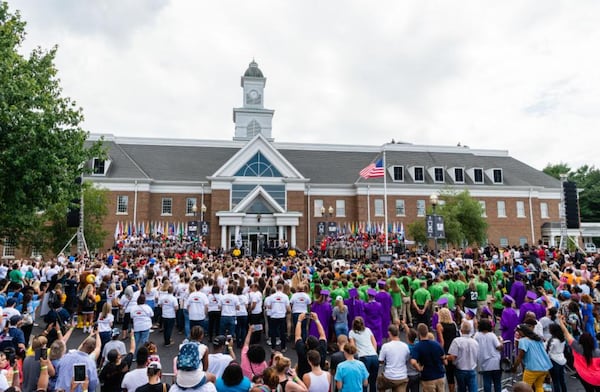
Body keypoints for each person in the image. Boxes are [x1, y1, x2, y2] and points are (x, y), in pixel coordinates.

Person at [557, 314, 600, 392]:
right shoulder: (598, 353)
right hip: (598, 378)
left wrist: (560, 320)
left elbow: (566, 332)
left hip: (584, 376)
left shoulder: (576, 347)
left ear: (580, 341)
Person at [511, 324, 552, 392]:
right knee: (539, 387)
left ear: (522, 331)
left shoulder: (523, 341)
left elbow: (520, 356)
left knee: (525, 388)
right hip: (544, 368)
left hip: (532, 369)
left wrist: (514, 367)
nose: (517, 333)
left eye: (518, 331)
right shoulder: (537, 340)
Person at [410, 323, 446, 392]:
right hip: (440, 375)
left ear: (419, 333)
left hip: (428, 377)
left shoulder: (418, 346)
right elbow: (443, 359)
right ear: (427, 332)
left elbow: (413, 361)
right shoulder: (436, 344)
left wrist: (419, 369)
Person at [348, 316, 378, 392]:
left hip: (363, 357)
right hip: (374, 357)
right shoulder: (368, 330)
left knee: (364, 381)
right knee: (373, 381)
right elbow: (374, 342)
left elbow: (352, 346)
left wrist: (357, 354)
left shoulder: (352, 333)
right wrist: (373, 351)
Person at [377, 324, 410, 392]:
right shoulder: (405, 346)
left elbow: (381, 360)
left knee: (380, 380)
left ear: (389, 333)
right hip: (402, 377)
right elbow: (407, 359)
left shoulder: (385, 346)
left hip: (389, 377)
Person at [447, 321, 479, 392]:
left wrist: (445, 357)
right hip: (471, 368)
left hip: (460, 369)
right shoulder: (475, 342)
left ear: (461, 330)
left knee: (461, 388)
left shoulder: (456, 341)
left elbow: (453, 356)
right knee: (473, 389)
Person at [295, 312, 327, 379]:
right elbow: (322, 335)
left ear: (306, 344)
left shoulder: (302, 351)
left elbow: (297, 336)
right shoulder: (321, 349)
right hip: (319, 378)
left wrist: (299, 320)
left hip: (303, 379)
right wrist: (316, 320)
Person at [473, 318, 502, 392]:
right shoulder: (492, 335)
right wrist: (501, 341)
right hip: (495, 361)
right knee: (497, 383)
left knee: (486, 382)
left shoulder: (477, 335)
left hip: (484, 362)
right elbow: (499, 347)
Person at [435, 308, 457, 392]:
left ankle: (451, 390)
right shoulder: (454, 324)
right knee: (456, 371)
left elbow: (442, 341)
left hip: (447, 349)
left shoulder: (439, 325)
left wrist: (440, 353)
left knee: (449, 373)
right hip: (454, 348)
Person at [264, 284, 291, 352]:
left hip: (273, 316)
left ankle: (273, 348)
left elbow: (268, 306)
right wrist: (287, 311)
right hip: (282, 316)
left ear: (276, 288)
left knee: (273, 332)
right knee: (282, 332)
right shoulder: (285, 296)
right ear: (282, 288)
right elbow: (288, 307)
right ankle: (283, 348)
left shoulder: (271, 297)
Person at [546, 323, 567, 392]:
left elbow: (548, 351)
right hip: (562, 359)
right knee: (562, 380)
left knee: (555, 381)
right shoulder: (562, 338)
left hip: (554, 360)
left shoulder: (552, 340)